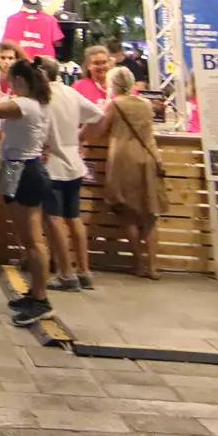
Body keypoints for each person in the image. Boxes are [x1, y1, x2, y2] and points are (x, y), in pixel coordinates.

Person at [0, 58, 55, 327]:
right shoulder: (29, 102)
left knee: (33, 239)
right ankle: (34, 294)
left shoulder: (25, 105)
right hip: (13, 167)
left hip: (25, 169)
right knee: (24, 236)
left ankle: (41, 299)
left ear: (19, 80)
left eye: (10, 80)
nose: (8, 84)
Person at [88, 65, 169, 278]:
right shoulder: (145, 103)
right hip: (148, 158)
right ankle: (153, 267)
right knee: (149, 215)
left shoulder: (113, 105)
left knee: (128, 214)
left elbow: (99, 131)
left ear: (112, 84)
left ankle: (139, 263)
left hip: (123, 159)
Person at [38, 56, 104, 293]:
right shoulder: (71, 93)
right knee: (73, 217)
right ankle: (84, 271)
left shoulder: (41, 98)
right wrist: (80, 138)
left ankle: (66, 273)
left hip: (52, 164)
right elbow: (98, 115)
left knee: (53, 219)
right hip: (74, 163)